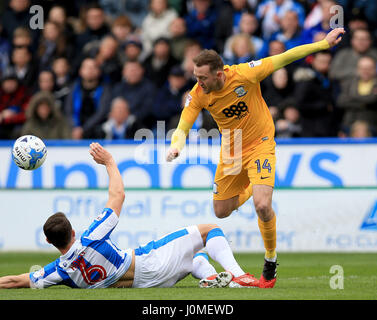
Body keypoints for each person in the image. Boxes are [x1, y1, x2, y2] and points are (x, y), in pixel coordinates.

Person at [166, 27, 346, 289]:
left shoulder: (246, 73)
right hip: (231, 151)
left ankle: (270, 262)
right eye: (196, 77)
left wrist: (322, 44)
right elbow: (184, 125)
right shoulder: (199, 94)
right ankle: (253, 184)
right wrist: (175, 146)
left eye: (202, 77)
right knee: (221, 211)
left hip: (260, 144)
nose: (198, 82)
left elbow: (285, 57)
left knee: (262, 206)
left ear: (219, 73)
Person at [0, 143, 259, 289]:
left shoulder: (60, 271)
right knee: (209, 230)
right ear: (74, 233)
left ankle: (212, 279)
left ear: (49, 242)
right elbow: (118, 195)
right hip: (150, 261)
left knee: (196, 257)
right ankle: (238, 277)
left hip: (147, 286)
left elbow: (17, 280)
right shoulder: (91, 238)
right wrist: (110, 162)